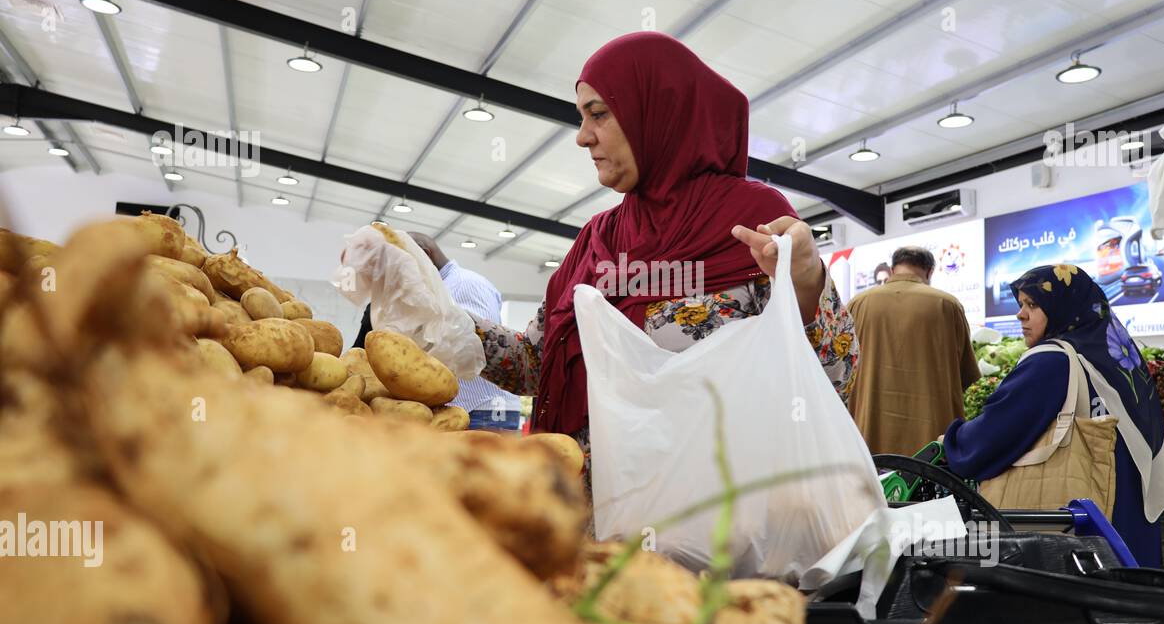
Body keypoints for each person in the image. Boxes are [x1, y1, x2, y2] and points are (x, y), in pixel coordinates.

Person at [471, 31, 858, 485]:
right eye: (581, 117)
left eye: (598, 114)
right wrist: (440, 324)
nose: (581, 137)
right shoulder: (599, 237)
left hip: (708, 526)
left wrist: (808, 281)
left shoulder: (750, 220)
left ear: (657, 113)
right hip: (584, 528)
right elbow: (534, 364)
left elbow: (832, 380)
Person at [941, 263, 1164, 566]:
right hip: (1126, 508)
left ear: (1063, 306)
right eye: (1021, 304)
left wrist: (954, 439)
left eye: (1033, 304)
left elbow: (990, 439)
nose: (1020, 314)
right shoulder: (1113, 354)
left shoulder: (1051, 360)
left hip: (1088, 519)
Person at [351, 233, 522, 431]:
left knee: (481, 459)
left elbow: (477, 349)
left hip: (483, 410)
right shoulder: (424, 291)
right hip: (454, 409)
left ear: (424, 255)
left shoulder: (466, 285)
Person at [845, 246, 980, 456]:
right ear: (930, 272)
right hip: (931, 443)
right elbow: (964, 375)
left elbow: (842, 372)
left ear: (892, 270)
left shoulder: (858, 304)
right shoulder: (947, 305)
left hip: (869, 437)